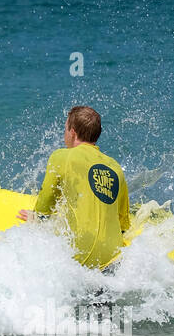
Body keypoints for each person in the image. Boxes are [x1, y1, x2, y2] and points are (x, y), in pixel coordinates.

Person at [18, 106, 130, 269]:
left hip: (80, 256)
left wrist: (36, 219)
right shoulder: (115, 167)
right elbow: (123, 223)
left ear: (72, 132)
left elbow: (45, 205)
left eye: (65, 129)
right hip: (113, 258)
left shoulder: (62, 156)